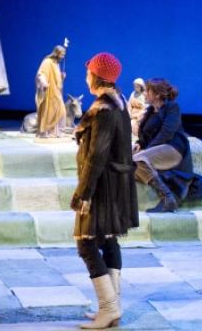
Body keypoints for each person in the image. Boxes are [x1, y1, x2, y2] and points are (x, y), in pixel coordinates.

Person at [71, 52, 137, 329]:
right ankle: (112, 307)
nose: (86, 77)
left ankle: (109, 308)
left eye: (89, 73)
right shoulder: (118, 102)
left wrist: (83, 194)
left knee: (86, 242)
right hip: (115, 184)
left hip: (102, 187)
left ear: (96, 76)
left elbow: (96, 156)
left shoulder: (103, 110)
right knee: (108, 240)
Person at [133, 78, 202, 212]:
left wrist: (146, 151)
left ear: (157, 94)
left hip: (172, 147)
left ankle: (168, 199)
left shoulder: (172, 107)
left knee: (138, 160)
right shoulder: (150, 111)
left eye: (148, 90)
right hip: (155, 149)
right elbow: (145, 136)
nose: (144, 93)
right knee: (127, 162)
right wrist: (139, 144)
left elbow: (166, 133)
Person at [35, 45, 67, 137]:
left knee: (62, 111)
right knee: (49, 112)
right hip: (49, 91)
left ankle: (57, 132)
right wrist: (44, 82)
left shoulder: (56, 63)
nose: (63, 56)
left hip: (56, 92)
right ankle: (46, 132)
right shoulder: (47, 62)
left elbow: (56, 79)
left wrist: (61, 76)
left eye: (64, 54)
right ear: (57, 53)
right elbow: (40, 74)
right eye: (62, 54)